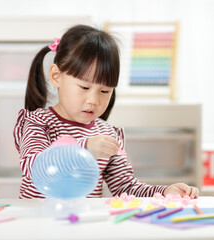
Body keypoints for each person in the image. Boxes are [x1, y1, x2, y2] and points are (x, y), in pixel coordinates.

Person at [14, 24, 199, 199]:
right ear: (56, 77)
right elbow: (34, 167)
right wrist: (83, 148)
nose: (94, 100)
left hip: (82, 225)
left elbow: (126, 187)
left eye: (104, 91)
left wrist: (165, 191)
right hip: (39, 224)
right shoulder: (38, 123)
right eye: (84, 87)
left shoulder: (108, 134)